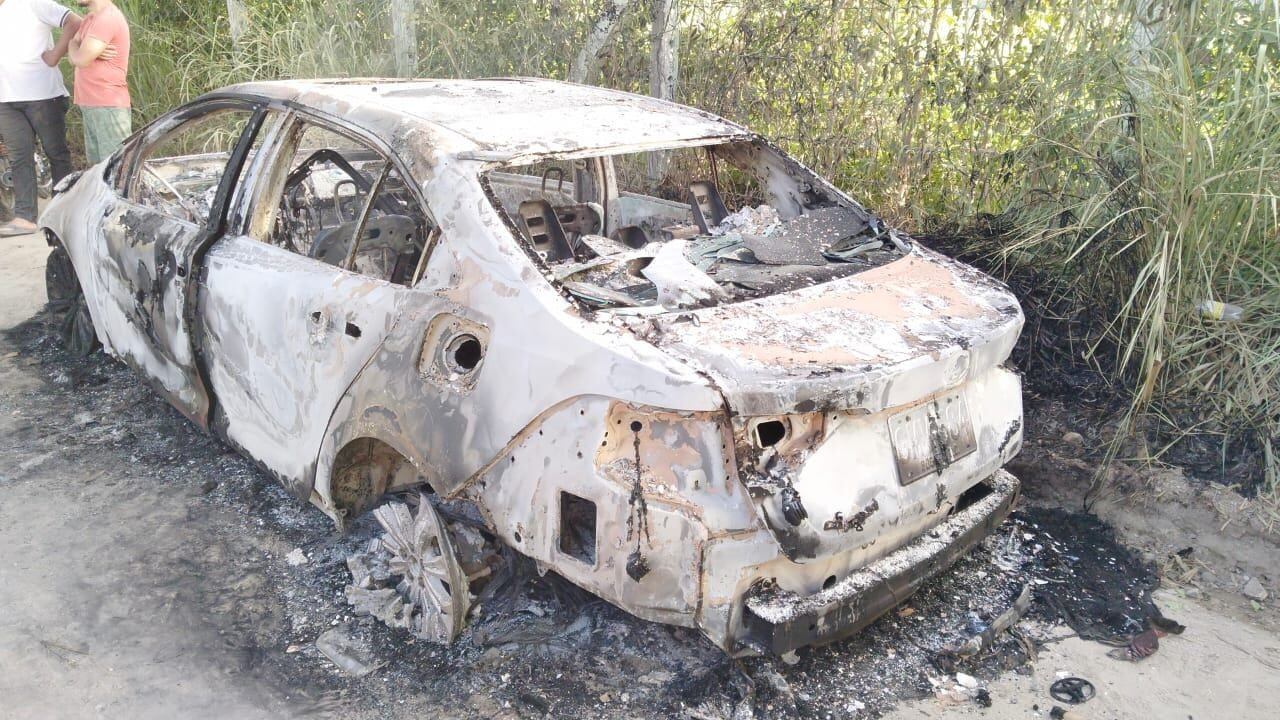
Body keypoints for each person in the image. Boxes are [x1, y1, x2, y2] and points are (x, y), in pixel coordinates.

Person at [0, 0, 81, 237]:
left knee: (56, 153)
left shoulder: (33, 3)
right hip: (6, 98)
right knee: (19, 158)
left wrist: (56, 53)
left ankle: (64, 211)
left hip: (43, 95)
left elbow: (74, 21)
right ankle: (25, 217)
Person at [67, 0, 131, 166]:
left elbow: (80, 59)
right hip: (91, 103)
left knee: (115, 170)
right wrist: (78, 48)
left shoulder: (107, 18)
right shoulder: (90, 19)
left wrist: (79, 52)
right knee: (97, 170)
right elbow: (72, 43)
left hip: (108, 105)